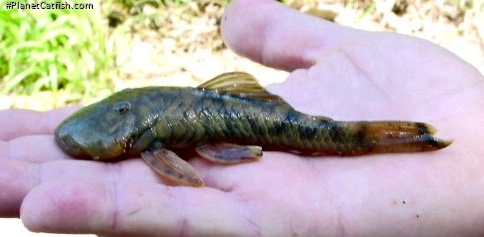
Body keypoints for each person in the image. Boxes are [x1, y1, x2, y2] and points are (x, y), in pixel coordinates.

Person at [1, 0, 483, 236]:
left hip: (233, 115)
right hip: (223, 112)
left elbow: (176, 168)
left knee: (330, 134)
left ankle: (387, 137)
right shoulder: (142, 125)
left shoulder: (148, 137)